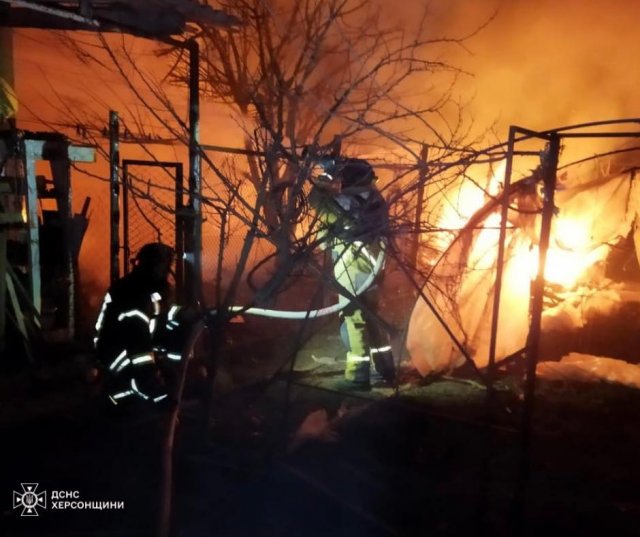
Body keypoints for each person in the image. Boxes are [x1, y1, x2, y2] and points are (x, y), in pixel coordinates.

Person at [309, 157, 395, 389]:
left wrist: (324, 177)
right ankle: (386, 368)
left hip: (352, 267)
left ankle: (358, 375)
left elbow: (317, 202)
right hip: (373, 267)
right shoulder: (376, 200)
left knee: (354, 317)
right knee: (372, 315)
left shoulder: (345, 202)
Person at [94, 242, 178, 406]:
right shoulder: (134, 294)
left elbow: (162, 321)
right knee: (140, 384)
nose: (167, 272)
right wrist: (158, 393)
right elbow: (139, 348)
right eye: (165, 266)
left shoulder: (148, 290)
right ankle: (121, 400)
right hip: (116, 356)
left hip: (130, 351)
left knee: (169, 369)